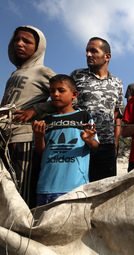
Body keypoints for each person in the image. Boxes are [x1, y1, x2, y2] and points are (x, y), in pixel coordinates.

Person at [0, 25, 56, 207]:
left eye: (27, 41)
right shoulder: (14, 74)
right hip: (5, 136)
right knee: (5, 188)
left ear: (38, 47)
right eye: (16, 40)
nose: (20, 44)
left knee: (20, 190)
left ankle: (23, 231)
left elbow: (68, 95)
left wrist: (37, 110)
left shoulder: (43, 71)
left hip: (24, 138)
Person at [32, 74, 98, 206]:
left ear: (74, 94)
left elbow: (95, 145)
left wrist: (89, 140)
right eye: (52, 91)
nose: (55, 94)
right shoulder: (45, 121)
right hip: (46, 186)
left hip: (74, 188)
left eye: (61, 90)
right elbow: (40, 152)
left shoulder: (84, 116)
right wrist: (39, 136)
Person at [71, 37, 124, 181]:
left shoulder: (117, 83)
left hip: (106, 145)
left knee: (104, 189)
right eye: (87, 51)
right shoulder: (77, 76)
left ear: (107, 57)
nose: (88, 54)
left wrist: (115, 144)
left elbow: (117, 115)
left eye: (93, 51)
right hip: (79, 142)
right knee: (77, 189)